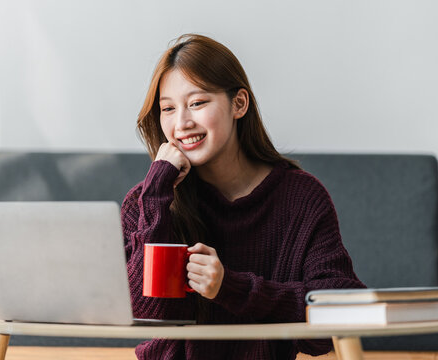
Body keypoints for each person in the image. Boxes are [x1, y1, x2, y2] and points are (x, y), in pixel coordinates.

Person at [121, 33, 366, 360]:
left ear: (239, 104)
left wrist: (231, 288)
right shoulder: (149, 200)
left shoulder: (301, 198)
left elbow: (344, 310)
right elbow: (145, 312)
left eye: (197, 103)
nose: (181, 123)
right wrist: (155, 197)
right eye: (168, 108)